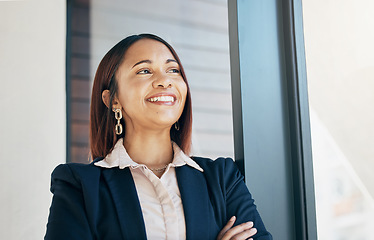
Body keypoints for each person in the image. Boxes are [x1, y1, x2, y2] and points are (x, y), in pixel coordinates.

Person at [45, 34, 272, 240]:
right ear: (113, 99)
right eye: (144, 71)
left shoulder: (223, 179)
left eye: (173, 70)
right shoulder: (79, 186)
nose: (165, 80)